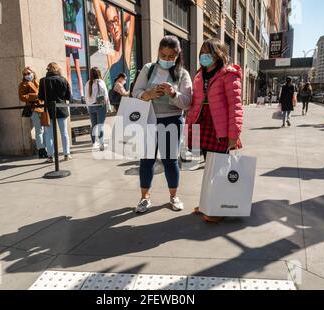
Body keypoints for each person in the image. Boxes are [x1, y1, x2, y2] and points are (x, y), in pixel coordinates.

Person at [132, 35, 192, 214]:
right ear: (158, 52)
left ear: (178, 54)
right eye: (163, 55)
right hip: (149, 119)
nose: (166, 60)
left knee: (170, 161)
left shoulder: (182, 73)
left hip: (172, 119)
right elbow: (136, 91)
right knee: (147, 160)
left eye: (170, 57)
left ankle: (174, 196)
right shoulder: (148, 69)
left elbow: (187, 101)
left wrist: (173, 93)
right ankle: (145, 198)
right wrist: (148, 94)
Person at [186, 38, 243, 222]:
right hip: (202, 125)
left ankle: (219, 208)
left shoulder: (229, 75)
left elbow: (236, 106)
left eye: (208, 52)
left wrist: (233, 134)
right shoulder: (199, 75)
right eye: (202, 52)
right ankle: (207, 203)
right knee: (209, 168)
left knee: (219, 169)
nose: (204, 56)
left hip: (220, 128)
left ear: (218, 54)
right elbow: (194, 102)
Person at [92, 0, 135, 89]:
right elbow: (96, 2)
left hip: (125, 100)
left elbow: (132, 13)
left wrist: (117, 21)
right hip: (113, 101)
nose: (114, 27)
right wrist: (113, 19)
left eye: (116, 21)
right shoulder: (110, 53)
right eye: (111, 23)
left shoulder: (126, 48)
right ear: (107, 26)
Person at [38, 63, 73, 163]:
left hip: (48, 109)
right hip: (62, 109)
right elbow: (68, 97)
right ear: (58, 69)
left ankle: (50, 156)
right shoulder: (63, 79)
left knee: (49, 134)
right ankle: (67, 154)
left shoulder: (43, 81)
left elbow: (40, 97)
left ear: (48, 69)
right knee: (64, 132)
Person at [18, 66, 47, 159]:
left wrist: (36, 96)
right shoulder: (23, 84)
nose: (27, 75)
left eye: (28, 73)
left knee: (45, 130)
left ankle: (45, 148)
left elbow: (44, 95)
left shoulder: (39, 82)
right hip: (33, 109)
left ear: (33, 73)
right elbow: (22, 97)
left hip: (42, 108)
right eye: (25, 74)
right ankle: (41, 150)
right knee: (39, 130)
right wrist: (36, 96)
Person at [63, 0, 85, 102]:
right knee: (74, 69)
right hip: (71, 37)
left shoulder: (69, 7)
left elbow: (79, 3)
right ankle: (78, 94)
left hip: (69, 37)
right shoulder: (73, 7)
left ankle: (76, 94)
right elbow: (79, 3)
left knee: (72, 70)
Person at [85, 67, 109, 151]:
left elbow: (86, 97)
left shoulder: (88, 83)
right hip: (100, 106)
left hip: (91, 106)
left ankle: (94, 143)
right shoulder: (101, 82)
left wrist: (88, 107)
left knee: (94, 125)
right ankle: (101, 143)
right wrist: (108, 106)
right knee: (100, 125)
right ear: (99, 73)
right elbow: (105, 95)